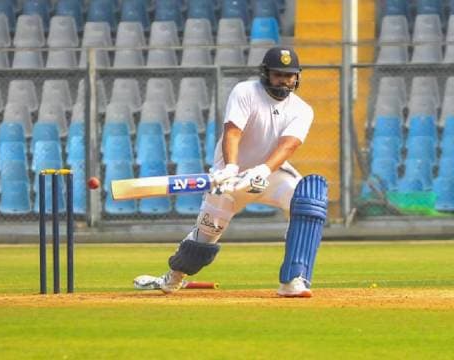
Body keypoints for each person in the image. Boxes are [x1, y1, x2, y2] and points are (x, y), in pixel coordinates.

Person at [134, 47, 328, 297]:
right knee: (202, 244)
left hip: (270, 176)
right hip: (229, 181)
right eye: (278, 74)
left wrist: (263, 170)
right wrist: (231, 168)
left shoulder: (302, 109)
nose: (285, 80)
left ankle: (294, 280)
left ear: (297, 77)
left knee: (307, 198)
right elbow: (233, 131)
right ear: (266, 73)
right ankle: (173, 277)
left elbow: (289, 144)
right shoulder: (246, 91)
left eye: (290, 75)